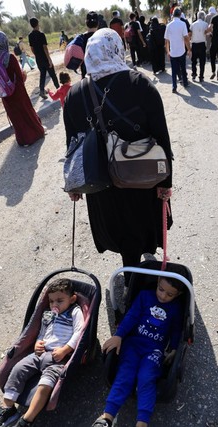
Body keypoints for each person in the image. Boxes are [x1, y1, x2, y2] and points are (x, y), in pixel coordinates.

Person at [62, 29, 173, 286]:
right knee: (138, 230)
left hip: (100, 181)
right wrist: (165, 182)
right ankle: (136, 288)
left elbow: (72, 146)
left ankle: (132, 274)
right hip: (140, 177)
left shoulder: (74, 95)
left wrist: (73, 184)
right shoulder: (141, 84)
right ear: (117, 48)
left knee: (121, 233)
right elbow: (161, 138)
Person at [0, 279, 84, 427]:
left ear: (72, 299)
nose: (54, 305)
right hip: (40, 354)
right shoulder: (49, 314)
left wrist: (66, 349)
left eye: (60, 301)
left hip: (59, 359)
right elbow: (42, 331)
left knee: (45, 385)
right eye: (51, 301)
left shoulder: (74, 311)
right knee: (17, 370)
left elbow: (79, 332)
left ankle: (27, 419)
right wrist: (38, 342)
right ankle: (7, 408)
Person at [90, 276, 184, 427]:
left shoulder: (176, 307)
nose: (163, 296)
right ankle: (107, 416)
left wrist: (173, 348)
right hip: (133, 344)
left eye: (170, 294)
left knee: (147, 377)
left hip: (154, 349)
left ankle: (142, 422)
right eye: (161, 289)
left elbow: (176, 329)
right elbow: (131, 317)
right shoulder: (145, 295)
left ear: (177, 294)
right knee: (125, 373)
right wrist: (119, 335)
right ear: (158, 281)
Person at [0, 31, 45, 146]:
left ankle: (22, 139)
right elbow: (19, 77)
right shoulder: (9, 57)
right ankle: (36, 133)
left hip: (4, 92)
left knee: (15, 116)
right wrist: (24, 74)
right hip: (17, 91)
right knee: (26, 111)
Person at [28, 17, 59, 100]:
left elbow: (32, 48)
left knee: (42, 75)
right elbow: (45, 47)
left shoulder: (30, 36)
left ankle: (41, 91)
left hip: (38, 59)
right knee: (53, 74)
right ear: (38, 24)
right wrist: (49, 59)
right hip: (45, 58)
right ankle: (59, 90)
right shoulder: (41, 34)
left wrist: (37, 55)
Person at [165, 8, 192, 93]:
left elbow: (166, 41)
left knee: (174, 70)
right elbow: (186, 38)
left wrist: (168, 52)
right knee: (183, 68)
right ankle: (185, 83)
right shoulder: (183, 24)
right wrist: (189, 49)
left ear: (173, 15)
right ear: (180, 15)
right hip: (181, 51)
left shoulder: (168, 25)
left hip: (173, 52)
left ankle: (174, 86)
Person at [79, 12, 101, 78]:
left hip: (86, 75)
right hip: (101, 75)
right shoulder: (102, 37)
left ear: (86, 23)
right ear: (98, 23)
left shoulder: (81, 38)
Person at [190, 10, 209, 82]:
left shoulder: (193, 24)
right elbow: (207, 34)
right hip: (202, 44)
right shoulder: (206, 24)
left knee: (194, 61)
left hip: (194, 45)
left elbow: (190, 34)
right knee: (202, 62)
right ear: (203, 16)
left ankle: (194, 74)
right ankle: (201, 77)